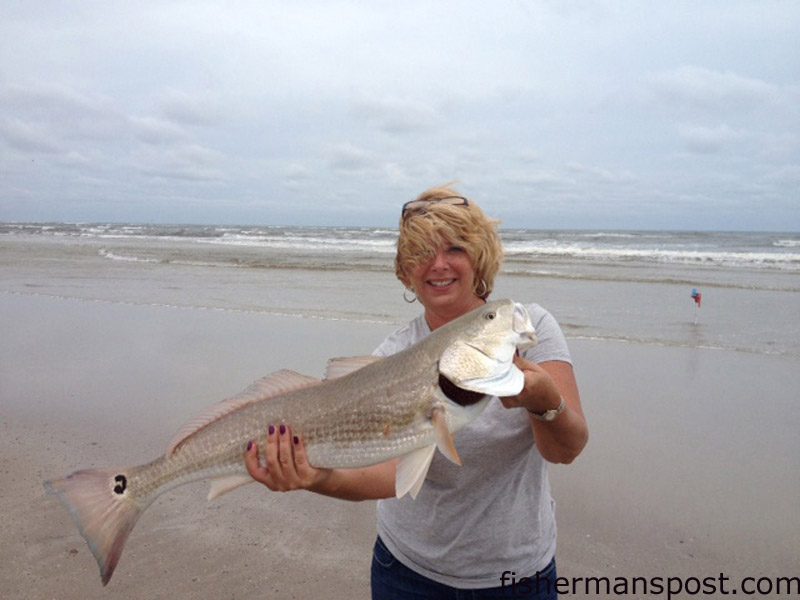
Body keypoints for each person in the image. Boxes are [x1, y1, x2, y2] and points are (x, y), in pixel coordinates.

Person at [244, 186, 589, 598]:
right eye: (422, 252)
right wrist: (314, 477)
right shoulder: (391, 356)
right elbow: (392, 475)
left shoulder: (526, 327)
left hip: (517, 577)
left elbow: (565, 450)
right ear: (406, 271)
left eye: (455, 249)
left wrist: (544, 401)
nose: (438, 265)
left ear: (480, 256)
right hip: (406, 573)